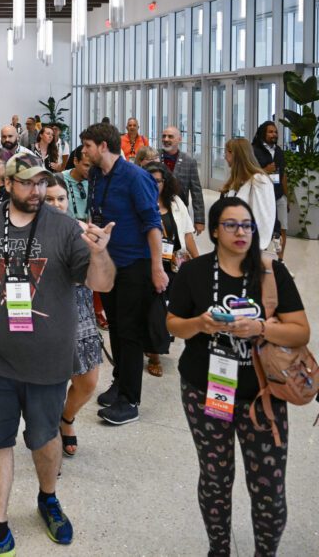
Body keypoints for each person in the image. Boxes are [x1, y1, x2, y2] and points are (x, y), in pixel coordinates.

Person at [0, 154, 116, 556]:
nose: (36, 191)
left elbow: (101, 283)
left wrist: (100, 253)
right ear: (7, 184)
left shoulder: (65, 228)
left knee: (43, 437)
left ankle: (48, 497)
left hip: (47, 361)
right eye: (27, 183)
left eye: (41, 182)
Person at [166, 197, 309, 557]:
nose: (241, 231)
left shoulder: (271, 272)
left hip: (263, 393)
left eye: (246, 224)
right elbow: (173, 326)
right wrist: (200, 323)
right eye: (231, 224)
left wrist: (261, 327)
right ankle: (219, 549)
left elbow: (300, 332)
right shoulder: (194, 272)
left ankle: (266, 552)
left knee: (269, 487)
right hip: (206, 390)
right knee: (215, 479)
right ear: (215, 230)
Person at [81, 123, 165, 426]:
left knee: (129, 330)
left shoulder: (136, 177)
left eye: (88, 145)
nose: (84, 151)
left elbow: (152, 223)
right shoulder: (96, 175)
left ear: (104, 146)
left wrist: (157, 268)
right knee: (115, 325)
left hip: (134, 264)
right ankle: (120, 381)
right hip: (107, 262)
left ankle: (130, 400)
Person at [42, 175, 103, 458]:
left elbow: (100, 277)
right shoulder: (31, 232)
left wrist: (100, 251)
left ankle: (66, 418)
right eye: (49, 199)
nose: (56, 204)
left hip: (81, 309)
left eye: (61, 199)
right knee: (49, 383)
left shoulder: (82, 230)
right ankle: (50, 437)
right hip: (47, 314)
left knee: (88, 381)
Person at [142, 161, 199, 378]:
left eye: (159, 180)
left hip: (173, 265)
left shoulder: (175, 203)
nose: (155, 185)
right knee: (154, 312)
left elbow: (187, 234)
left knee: (166, 311)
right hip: (148, 264)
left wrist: (198, 261)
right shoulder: (140, 201)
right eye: (151, 180)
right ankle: (155, 353)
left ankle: (155, 344)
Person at [221, 138, 276, 252]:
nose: (224, 157)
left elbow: (264, 216)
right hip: (234, 244)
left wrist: (254, 244)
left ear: (234, 154)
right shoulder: (237, 181)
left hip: (250, 246)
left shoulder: (259, 180)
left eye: (226, 152)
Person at [160, 126, 205, 234]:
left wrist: (199, 220)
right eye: (164, 136)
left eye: (170, 136)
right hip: (157, 212)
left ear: (179, 139)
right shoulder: (154, 157)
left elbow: (196, 192)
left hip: (180, 212)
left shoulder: (189, 162)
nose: (166, 139)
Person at [252, 121, 287, 259]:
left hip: (279, 195)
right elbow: (248, 173)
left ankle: (280, 260)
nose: (274, 135)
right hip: (262, 197)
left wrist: (287, 196)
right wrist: (264, 170)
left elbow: (283, 175)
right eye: (270, 132)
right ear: (263, 133)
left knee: (282, 228)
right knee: (263, 229)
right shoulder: (254, 150)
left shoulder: (278, 151)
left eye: (276, 132)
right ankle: (259, 260)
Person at [56, 145, 91, 220]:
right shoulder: (59, 179)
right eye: (86, 165)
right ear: (75, 161)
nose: (90, 170)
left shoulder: (96, 181)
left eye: (93, 166)